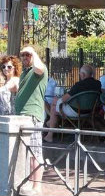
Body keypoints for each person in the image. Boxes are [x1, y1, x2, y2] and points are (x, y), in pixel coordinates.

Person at [15, 46, 48, 196]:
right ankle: (28, 184)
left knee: (35, 152)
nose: (25, 57)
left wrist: (33, 52)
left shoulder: (39, 70)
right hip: (21, 116)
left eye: (27, 55)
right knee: (26, 153)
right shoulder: (25, 72)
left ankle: (37, 187)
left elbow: (40, 67)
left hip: (32, 116)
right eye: (22, 55)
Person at [43, 64, 101, 142]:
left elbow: (63, 99)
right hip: (90, 112)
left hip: (76, 111)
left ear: (83, 74)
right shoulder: (97, 84)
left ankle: (50, 133)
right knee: (56, 106)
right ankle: (50, 123)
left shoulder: (79, 85)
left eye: (80, 74)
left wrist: (58, 101)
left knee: (55, 104)